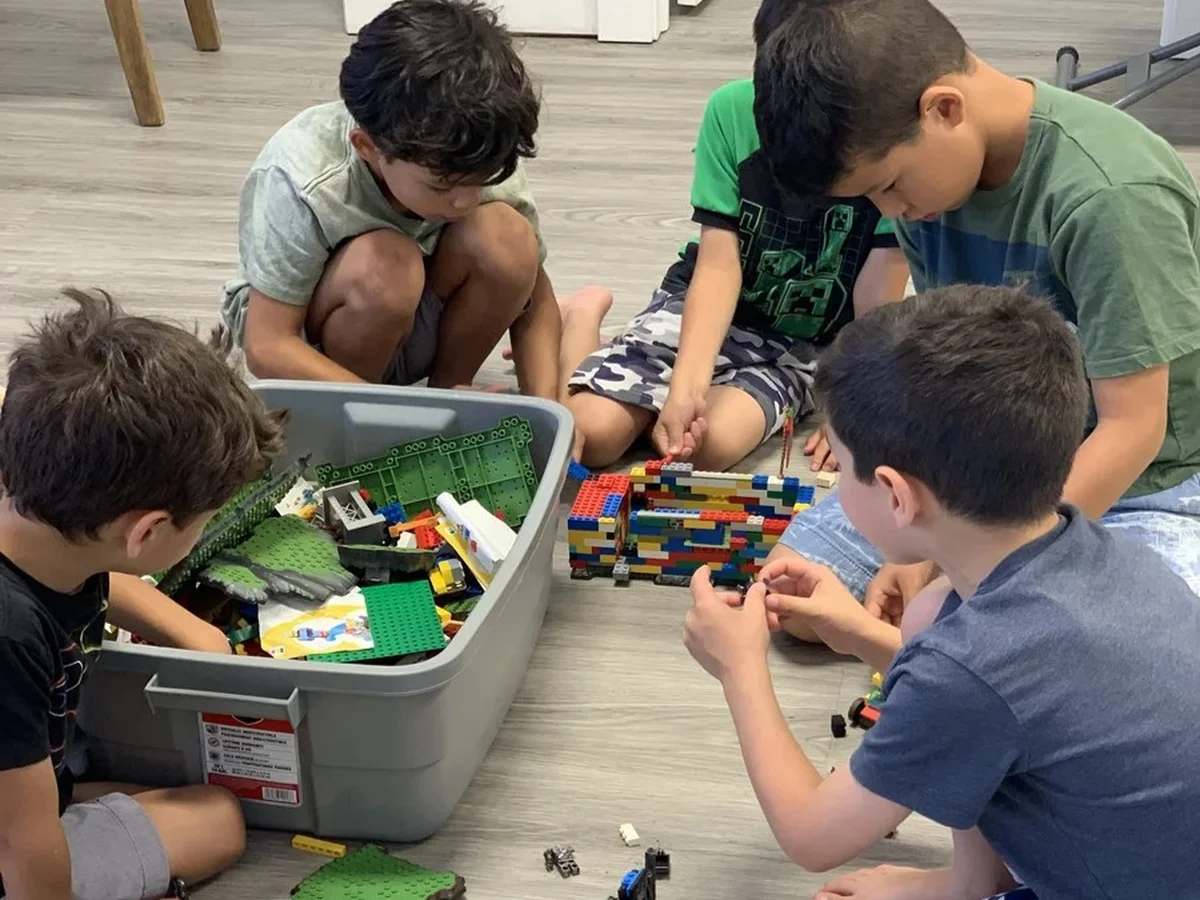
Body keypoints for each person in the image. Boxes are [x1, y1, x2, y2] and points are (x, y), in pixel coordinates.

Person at [683, 284, 1200, 900]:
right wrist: (856, 631)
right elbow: (1003, 696)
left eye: (842, 468)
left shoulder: (973, 664)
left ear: (897, 496)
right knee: (927, 614)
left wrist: (740, 667)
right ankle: (972, 882)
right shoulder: (1094, 550)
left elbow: (810, 836)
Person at [751, 0, 1200, 648]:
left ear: (944, 108)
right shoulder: (929, 180)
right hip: (986, 465)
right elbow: (950, 382)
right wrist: (922, 552)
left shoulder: (1111, 195)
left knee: (1102, 662)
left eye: (891, 186)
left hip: (1147, 482)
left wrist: (971, 565)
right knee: (794, 598)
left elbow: (1134, 428)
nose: (893, 210)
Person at [0, 289, 288, 900]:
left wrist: (191, 632)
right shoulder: (9, 635)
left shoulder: (36, 500)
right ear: (148, 530)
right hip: (12, 855)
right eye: (206, 518)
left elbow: (97, 570)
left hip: (24, 786)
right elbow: (23, 852)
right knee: (218, 819)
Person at [560, 0, 910, 471]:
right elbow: (718, 264)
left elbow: (878, 299)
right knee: (593, 434)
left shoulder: (885, 145)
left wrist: (857, 406)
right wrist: (686, 385)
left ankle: (642, 388)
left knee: (707, 449)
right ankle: (583, 314)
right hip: (708, 309)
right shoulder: (731, 111)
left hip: (805, 343)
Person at [220, 0, 606, 420]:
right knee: (385, 265)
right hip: (312, 340)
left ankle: (446, 393)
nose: (466, 200)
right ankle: (361, 416)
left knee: (508, 238)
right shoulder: (303, 176)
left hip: (416, 307)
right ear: (369, 148)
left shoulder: (475, 148)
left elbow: (535, 296)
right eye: (442, 187)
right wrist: (401, 415)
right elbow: (268, 344)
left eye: (481, 179)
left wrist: (548, 411)